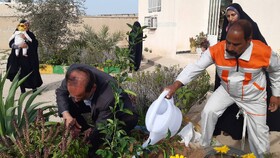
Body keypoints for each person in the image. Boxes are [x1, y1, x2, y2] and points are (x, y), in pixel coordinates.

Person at [164, 20, 280, 157]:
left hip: (253, 96)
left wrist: (276, 95)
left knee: (259, 136)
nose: (230, 47)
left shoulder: (263, 52)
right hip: (227, 90)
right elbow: (196, 67)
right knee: (208, 112)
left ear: (249, 40)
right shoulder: (217, 50)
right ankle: (204, 146)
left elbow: (276, 71)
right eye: (228, 42)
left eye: (236, 44)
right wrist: (175, 85)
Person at [213, 3, 280, 140]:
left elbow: (261, 48)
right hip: (231, 73)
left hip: (250, 74)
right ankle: (231, 128)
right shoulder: (227, 30)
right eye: (229, 16)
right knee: (228, 101)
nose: (231, 18)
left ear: (240, 14)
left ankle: (253, 131)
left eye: (234, 15)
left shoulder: (251, 26)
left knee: (253, 106)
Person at [56, 63, 138, 157]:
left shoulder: (108, 96)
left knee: (104, 138)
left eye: (79, 96)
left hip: (120, 112)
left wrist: (90, 141)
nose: (75, 99)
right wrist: (66, 115)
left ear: (93, 88)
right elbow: (61, 93)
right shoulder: (74, 75)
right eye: (73, 95)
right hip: (95, 102)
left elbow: (101, 126)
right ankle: (82, 131)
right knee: (67, 106)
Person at [6, 19, 43, 93]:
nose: (27, 26)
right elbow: (11, 43)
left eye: (28, 25)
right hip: (18, 59)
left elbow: (35, 44)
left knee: (31, 72)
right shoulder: (16, 33)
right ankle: (23, 91)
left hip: (29, 59)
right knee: (20, 74)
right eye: (25, 25)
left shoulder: (30, 34)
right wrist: (19, 46)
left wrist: (26, 40)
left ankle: (34, 89)